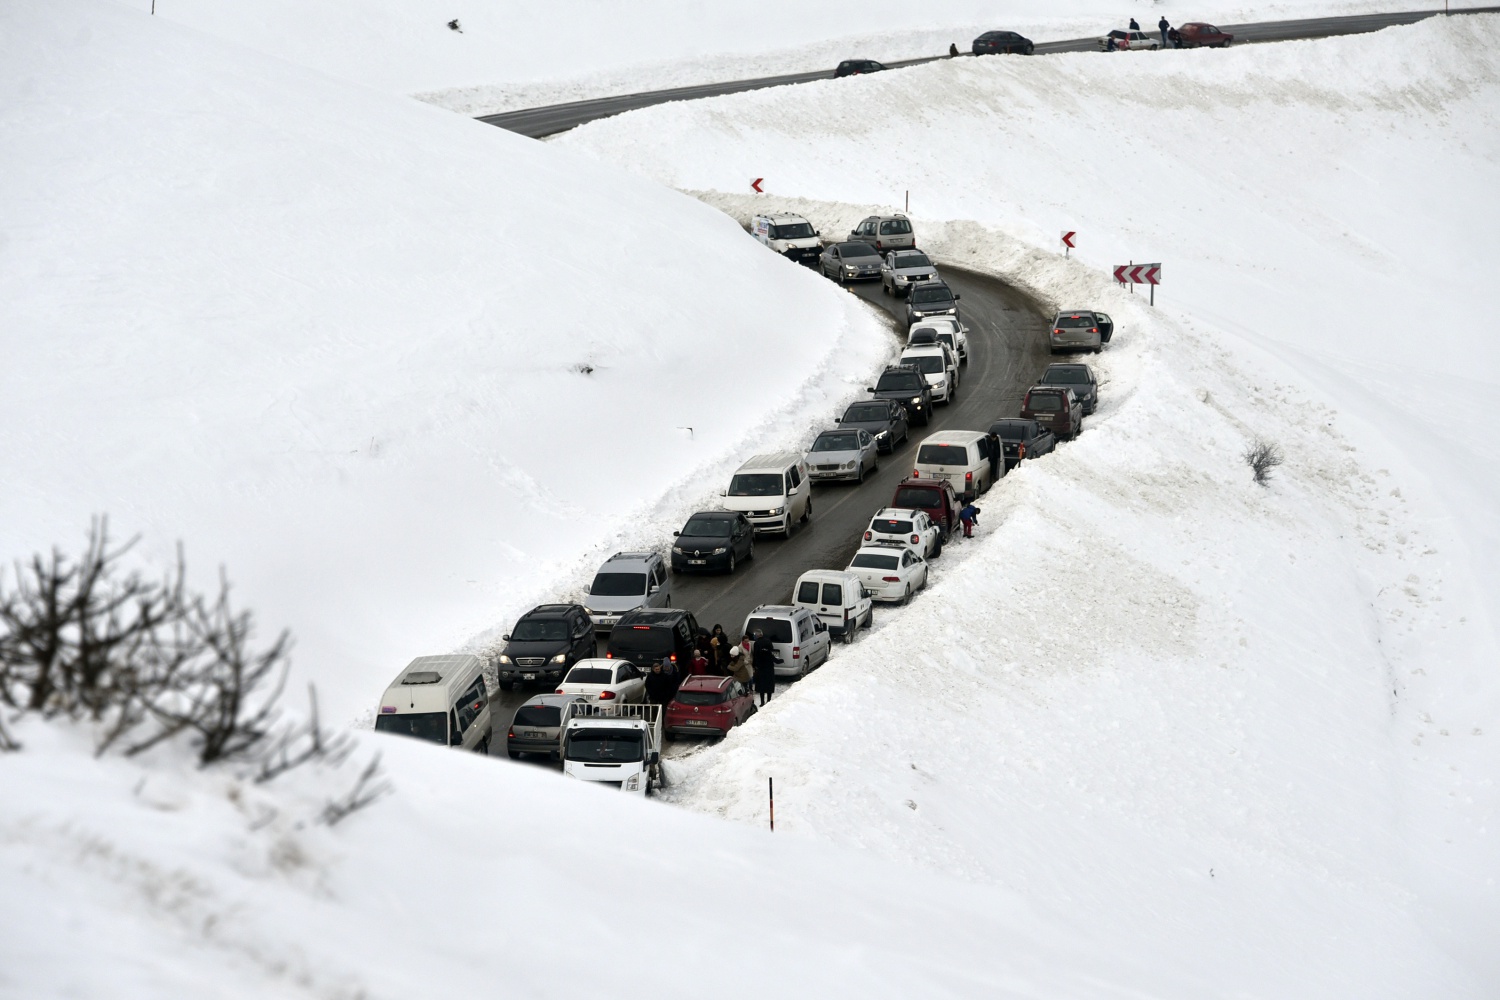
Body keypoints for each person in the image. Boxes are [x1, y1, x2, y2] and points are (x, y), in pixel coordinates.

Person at [751, 629, 777, 706]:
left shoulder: (757, 643)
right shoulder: (768, 641)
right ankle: (769, 700)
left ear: (757, 635)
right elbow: (771, 650)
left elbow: (756, 655)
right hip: (769, 666)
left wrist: (755, 665)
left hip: (761, 666)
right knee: (769, 683)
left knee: (761, 684)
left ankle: (762, 702)